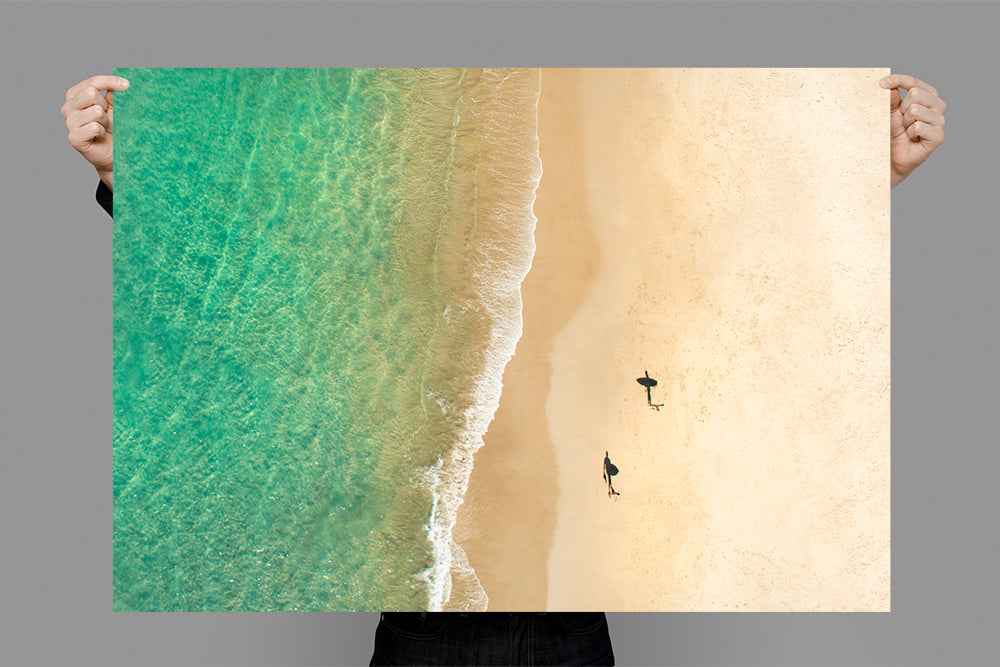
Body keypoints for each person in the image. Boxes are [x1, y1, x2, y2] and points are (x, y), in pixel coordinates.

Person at [65, 71, 945, 666]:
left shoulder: (594, 196)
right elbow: (264, 291)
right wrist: (137, 180)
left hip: (564, 618)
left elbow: (731, 285)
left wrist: (863, 178)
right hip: (425, 614)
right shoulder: (389, 195)